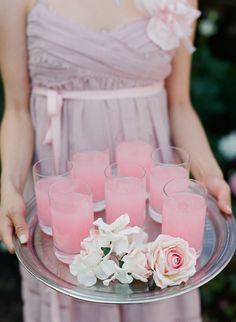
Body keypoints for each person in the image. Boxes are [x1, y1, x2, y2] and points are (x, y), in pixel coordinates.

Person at [0, 0, 232, 321]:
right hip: (65, 187)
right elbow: (17, 111)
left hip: (148, 191)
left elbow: (179, 104)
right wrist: (8, 187)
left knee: (152, 297)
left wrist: (209, 174)